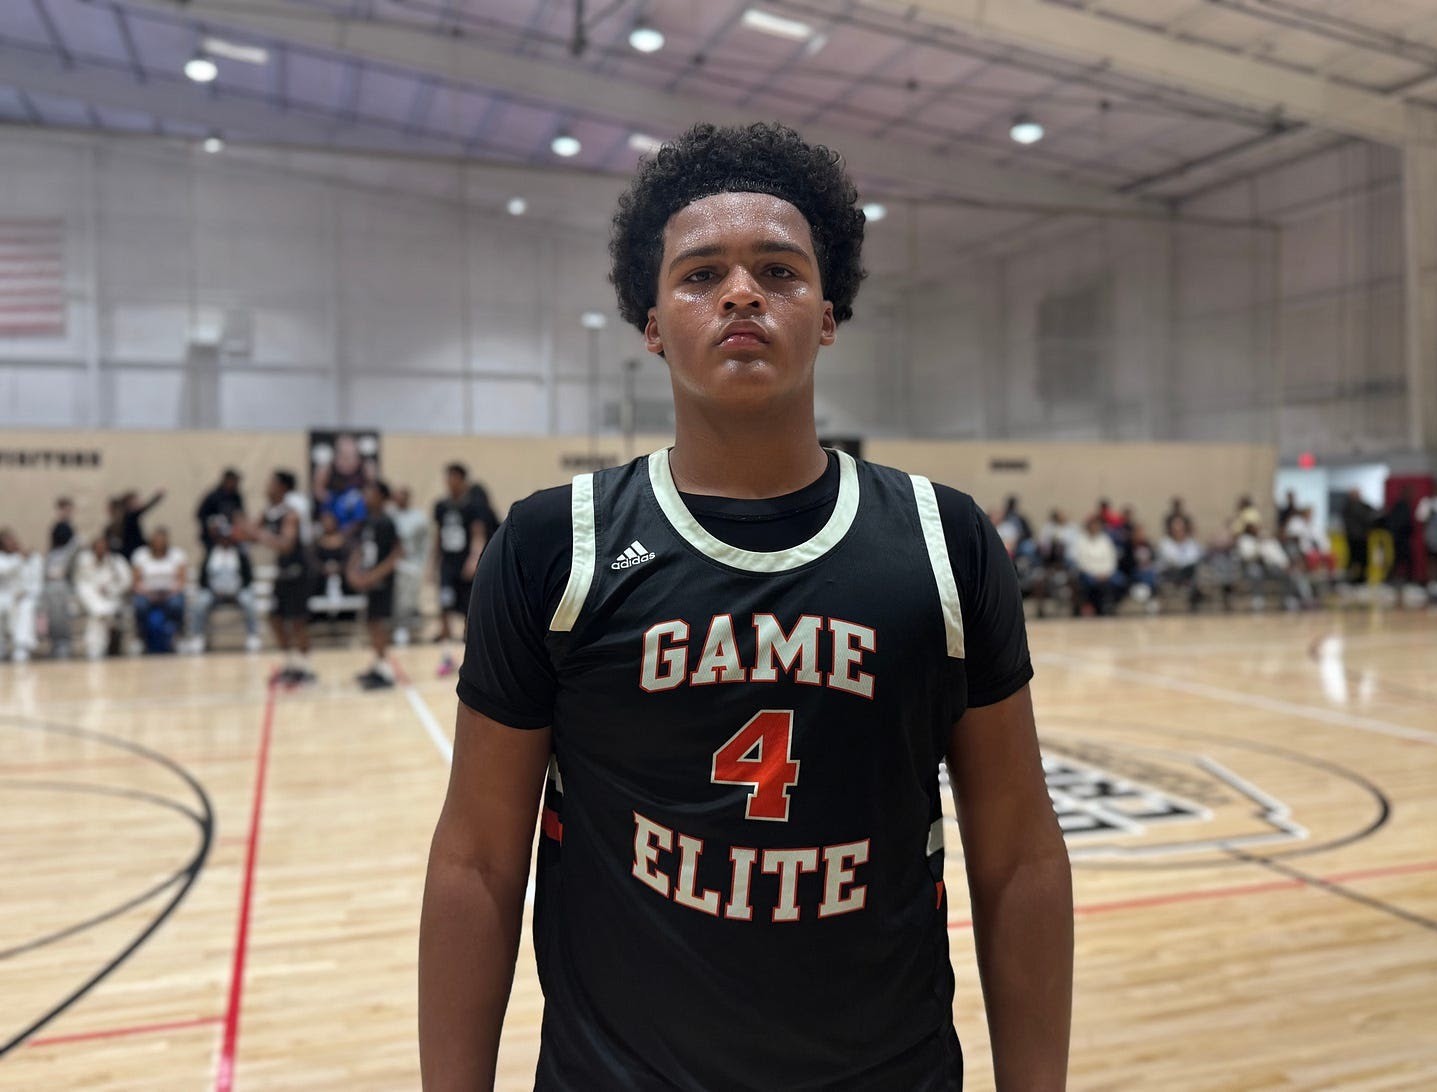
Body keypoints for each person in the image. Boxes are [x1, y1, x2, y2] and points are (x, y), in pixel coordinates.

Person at [419, 122, 1071, 1091]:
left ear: (828, 315)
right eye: (700, 275)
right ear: (651, 323)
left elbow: (1018, 856)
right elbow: (476, 861)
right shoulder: (557, 544)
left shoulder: (945, 540)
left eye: (778, 271)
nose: (740, 294)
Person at [247, 469, 316, 684]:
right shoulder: (270, 511)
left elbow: (286, 545)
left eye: (271, 483)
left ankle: (305, 667)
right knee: (275, 618)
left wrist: (258, 534)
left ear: (282, 487)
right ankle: (289, 663)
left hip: (298, 571)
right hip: (283, 572)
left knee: (297, 621)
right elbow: (250, 534)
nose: (267, 486)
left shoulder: (291, 514)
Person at [348, 480, 402, 690]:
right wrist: (354, 571)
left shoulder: (387, 522)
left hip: (382, 581)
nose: (366, 496)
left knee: (379, 622)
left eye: (370, 492)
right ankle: (378, 664)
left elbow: (397, 553)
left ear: (381, 496)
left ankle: (385, 670)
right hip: (370, 579)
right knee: (371, 621)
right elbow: (362, 550)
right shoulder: (369, 522)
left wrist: (374, 575)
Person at [433, 463, 491, 642]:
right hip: (448, 559)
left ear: (462, 480)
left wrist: (474, 558)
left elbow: (478, 534)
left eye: (454, 477)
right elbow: (438, 534)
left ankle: (468, 632)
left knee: (468, 598)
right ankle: (445, 631)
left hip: (464, 558)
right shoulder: (441, 506)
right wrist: (433, 561)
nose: (450, 481)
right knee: (444, 596)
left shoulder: (473, 505)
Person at [190, 530, 262, 653]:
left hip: (237, 592)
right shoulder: (211, 554)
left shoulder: (239, 554)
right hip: (214, 593)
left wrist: (237, 589)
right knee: (200, 604)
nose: (225, 541)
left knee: (249, 602)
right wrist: (212, 589)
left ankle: (253, 636)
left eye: (227, 538)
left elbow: (248, 577)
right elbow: (202, 578)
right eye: (222, 538)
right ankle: (198, 637)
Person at [74, 535, 132, 659]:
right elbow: (81, 584)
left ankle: (94, 650)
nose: (100, 550)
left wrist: (111, 589)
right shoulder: (84, 562)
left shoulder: (116, 562)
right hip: (90, 601)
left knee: (99, 616)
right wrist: (94, 596)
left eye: (103, 547)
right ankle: (96, 649)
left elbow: (126, 582)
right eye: (97, 547)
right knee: (98, 614)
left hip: (112, 600)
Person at [130, 526, 187, 653]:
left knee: (177, 604)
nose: (159, 543)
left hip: (170, 594)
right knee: (140, 605)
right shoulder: (140, 555)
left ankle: (178, 636)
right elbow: (135, 582)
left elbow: (182, 580)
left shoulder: (177, 555)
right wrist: (147, 592)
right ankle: (140, 637)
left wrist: (171, 592)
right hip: (147, 594)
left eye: (162, 540)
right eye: (156, 540)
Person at [391, 485, 431, 646]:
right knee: (396, 599)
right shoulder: (390, 516)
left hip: (412, 564)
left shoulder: (419, 518)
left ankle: (405, 628)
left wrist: (423, 564)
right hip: (393, 565)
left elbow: (425, 543)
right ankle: (396, 627)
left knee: (408, 600)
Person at [41, 497, 81, 658]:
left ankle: (64, 642)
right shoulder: (57, 528)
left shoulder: (74, 541)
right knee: (53, 613)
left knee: (64, 612)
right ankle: (56, 642)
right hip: (54, 581)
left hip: (66, 582)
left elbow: (73, 562)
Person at [0, 529, 42, 662]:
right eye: (7, 541)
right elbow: (4, 570)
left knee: (26, 608)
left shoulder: (32, 558)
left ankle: (21, 646)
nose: (11, 543)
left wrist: (27, 593)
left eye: (12, 539)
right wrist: (19, 558)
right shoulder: (5, 558)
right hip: (4, 595)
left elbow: (36, 581)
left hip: (27, 596)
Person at [1071, 514, 1121, 616]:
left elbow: (1112, 558)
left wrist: (1106, 573)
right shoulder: (1080, 540)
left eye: (1097, 525)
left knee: (1121, 582)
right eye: (1093, 525)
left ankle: (1110, 606)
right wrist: (1095, 574)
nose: (1095, 527)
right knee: (1090, 583)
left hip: (1106, 573)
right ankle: (1094, 607)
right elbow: (1080, 561)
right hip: (1088, 573)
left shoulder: (1105, 540)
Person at [1159, 515, 1204, 610]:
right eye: (1175, 528)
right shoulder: (1165, 543)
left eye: (1181, 528)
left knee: (1197, 571)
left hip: (1188, 571)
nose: (1178, 531)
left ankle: (1195, 599)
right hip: (1172, 572)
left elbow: (1195, 557)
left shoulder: (1191, 542)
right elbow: (1170, 559)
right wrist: (1183, 563)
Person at [197, 468, 246, 546]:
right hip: (213, 538)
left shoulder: (236, 497)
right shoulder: (213, 496)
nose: (235, 485)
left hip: (232, 537)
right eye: (234, 481)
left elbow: (241, 515)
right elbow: (201, 514)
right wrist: (211, 525)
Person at [1341, 488, 1376, 584]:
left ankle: (1362, 578)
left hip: (1362, 537)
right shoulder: (1347, 507)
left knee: (1363, 559)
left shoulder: (1364, 506)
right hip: (1353, 538)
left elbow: (1372, 516)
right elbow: (1346, 522)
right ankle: (1351, 578)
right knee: (1352, 559)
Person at [119, 487, 166, 559]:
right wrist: (156, 498)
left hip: (136, 546)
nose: (138, 503)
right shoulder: (130, 516)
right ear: (128, 503)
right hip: (133, 549)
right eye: (135, 501)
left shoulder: (129, 516)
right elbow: (145, 508)